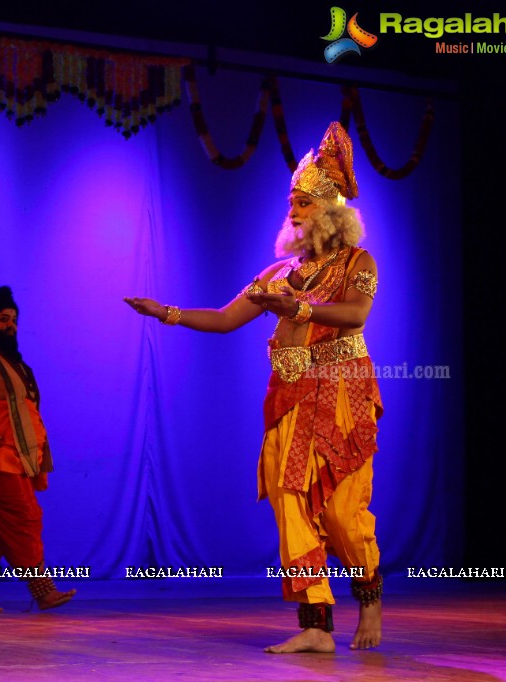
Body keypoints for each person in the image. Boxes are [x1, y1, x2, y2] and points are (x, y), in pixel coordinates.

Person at [125, 122, 383, 653]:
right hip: (289, 394)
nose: (293, 211)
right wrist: (166, 314)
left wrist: (303, 309)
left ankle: (370, 598)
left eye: (305, 203)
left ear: (331, 211)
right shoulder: (278, 273)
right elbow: (224, 319)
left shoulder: (359, 264)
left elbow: (356, 315)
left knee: (340, 510)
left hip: (340, 391)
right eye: (291, 202)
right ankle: (316, 625)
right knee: (290, 499)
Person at [0, 286, 75, 612]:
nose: (11, 325)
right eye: (4, 319)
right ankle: (42, 590)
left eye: (14, 320)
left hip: (9, 459)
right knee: (25, 518)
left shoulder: (13, 365)